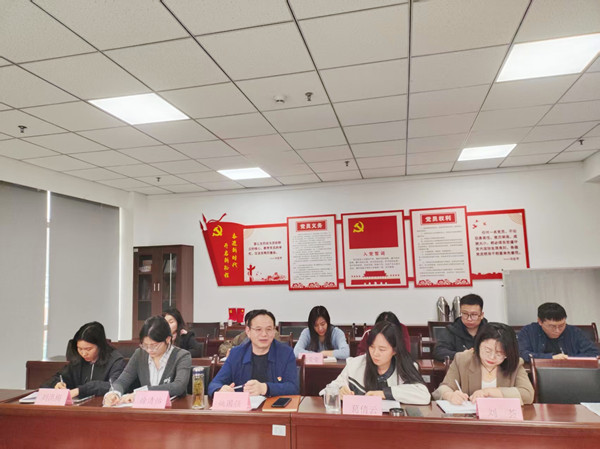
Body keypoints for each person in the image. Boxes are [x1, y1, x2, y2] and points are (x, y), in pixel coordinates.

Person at [328, 321, 430, 404]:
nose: (375, 353)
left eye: (382, 349)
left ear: (394, 350)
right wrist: (339, 391)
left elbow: (424, 395)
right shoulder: (355, 364)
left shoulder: (405, 367)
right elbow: (328, 390)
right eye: (372, 347)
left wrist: (384, 394)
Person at [433, 322, 534, 405]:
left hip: (502, 418)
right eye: (487, 350)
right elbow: (443, 388)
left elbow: (528, 395)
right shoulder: (462, 359)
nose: (492, 357)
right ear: (478, 344)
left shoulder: (515, 363)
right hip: (470, 419)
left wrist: (489, 392)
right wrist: (450, 395)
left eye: (500, 353)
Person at [103, 315, 191, 406]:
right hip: (145, 410)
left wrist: (142, 393)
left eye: (154, 345)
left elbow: (179, 386)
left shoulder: (182, 356)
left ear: (168, 339)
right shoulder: (140, 354)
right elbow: (123, 380)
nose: (149, 350)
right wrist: (114, 393)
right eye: (145, 345)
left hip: (173, 410)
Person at [208, 309, 298, 397]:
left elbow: (293, 387)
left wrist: (265, 388)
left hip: (274, 406)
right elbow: (214, 384)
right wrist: (220, 390)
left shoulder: (286, 353)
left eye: (269, 329)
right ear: (248, 331)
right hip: (244, 406)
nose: (264, 334)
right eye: (258, 329)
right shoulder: (236, 354)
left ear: (274, 331)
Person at [42, 321, 126, 398]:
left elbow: (115, 385)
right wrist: (57, 383)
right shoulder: (78, 359)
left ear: (100, 346)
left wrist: (81, 390)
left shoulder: (115, 360)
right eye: (80, 348)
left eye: (88, 349)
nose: (83, 353)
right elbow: (59, 377)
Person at [517, 302, 599, 362]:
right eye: (552, 326)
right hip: (540, 373)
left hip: (571, 371)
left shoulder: (574, 332)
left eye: (561, 325)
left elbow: (594, 352)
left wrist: (568, 358)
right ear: (540, 321)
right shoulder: (528, 331)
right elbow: (521, 353)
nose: (557, 330)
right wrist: (551, 358)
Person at [433, 294, 488, 361]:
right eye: (465, 314)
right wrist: (462, 355)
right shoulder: (451, 330)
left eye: (474, 314)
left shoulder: (490, 331)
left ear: (481, 315)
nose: (469, 319)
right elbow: (439, 352)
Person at [218, 309, 282, 358]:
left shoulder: (273, 334)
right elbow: (226, 345)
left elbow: (277, 350)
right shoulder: (244, 335)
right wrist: (230, 351)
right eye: (248, 325)